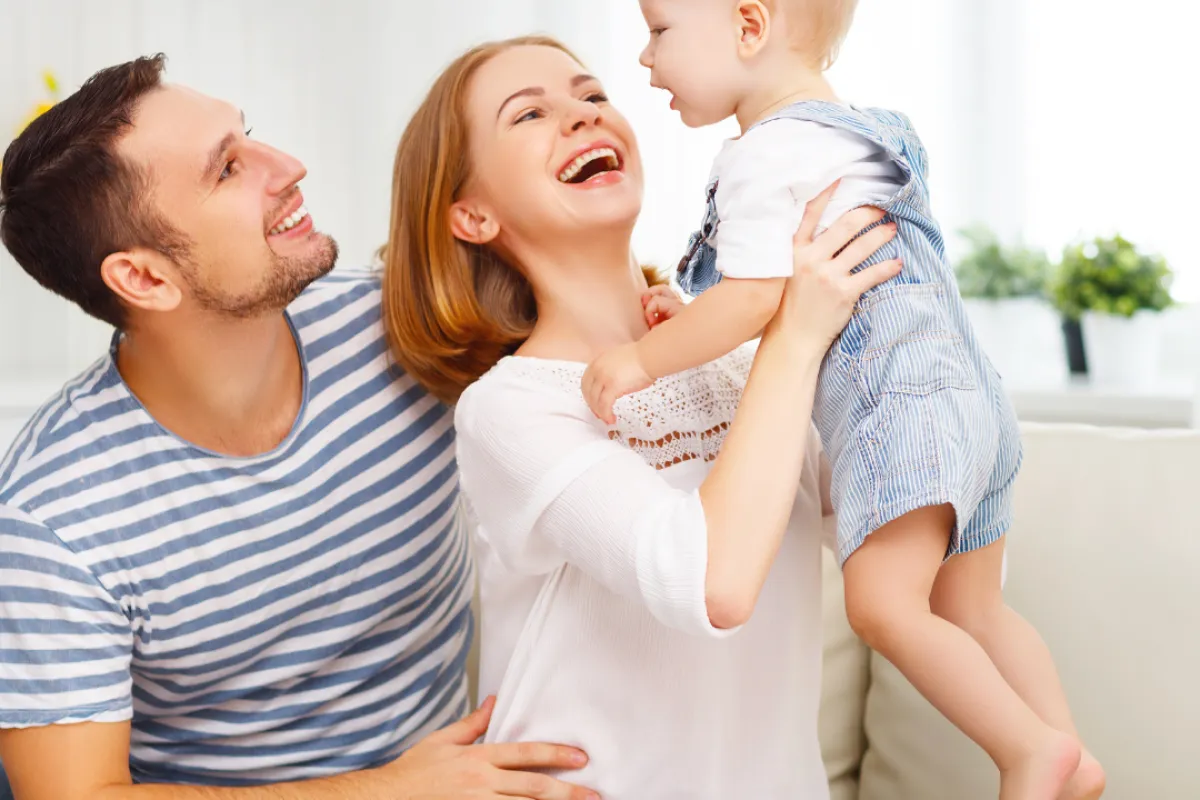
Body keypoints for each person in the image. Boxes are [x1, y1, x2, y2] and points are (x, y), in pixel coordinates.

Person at [0, 54, 596, 800]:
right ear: (145, 278)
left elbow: (598, 321)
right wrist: (390, 791)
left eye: (249, 137)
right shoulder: (49, 519)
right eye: (227, 169)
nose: (287, 167)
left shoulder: (404, 328)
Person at [580, 2, 1105, 799]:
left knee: (884, 609)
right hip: (972, 403)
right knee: (974, 610)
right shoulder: (861, 132)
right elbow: (802, 298)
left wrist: (641, 358)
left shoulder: (768, 149)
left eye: (659, 31)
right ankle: (1071, 752)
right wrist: (699, 318)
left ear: (750, 27)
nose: (647, 60)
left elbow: (757, 299)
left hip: (901, 410)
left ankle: (1030, 751)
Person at [380, 34, 902, 799]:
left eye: (592, 96)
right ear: (472, 216)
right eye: (529, 115)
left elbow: (887, 526)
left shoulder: (741, 364)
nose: (582, 118)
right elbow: (707, 583)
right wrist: (792, 329)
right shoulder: (511, 407)